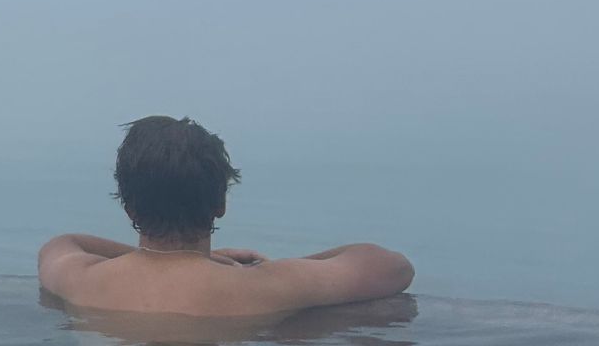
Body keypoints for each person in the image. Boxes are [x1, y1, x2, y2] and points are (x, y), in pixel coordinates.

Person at [37, 115, 414, 316]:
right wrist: (265, 269)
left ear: (129, 206)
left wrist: (173, 259)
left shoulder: (82, 281)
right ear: (221, 203)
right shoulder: (264, 287)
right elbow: (394, 268)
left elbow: (61, 244)